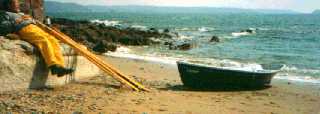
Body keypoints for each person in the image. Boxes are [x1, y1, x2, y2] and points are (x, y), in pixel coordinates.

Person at [0, 0, 74, 77]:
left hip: (35, 28)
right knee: (44, 41)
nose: (18, 5)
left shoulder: (20, 13)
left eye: (17, 3)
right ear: (8, 5)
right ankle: (53, 65)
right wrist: (15, 26)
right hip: (25, 29)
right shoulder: (5, 14)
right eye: (15, 3)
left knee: (53, 40)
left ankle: (60, 66)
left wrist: (30, 19)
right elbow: (3, 27)